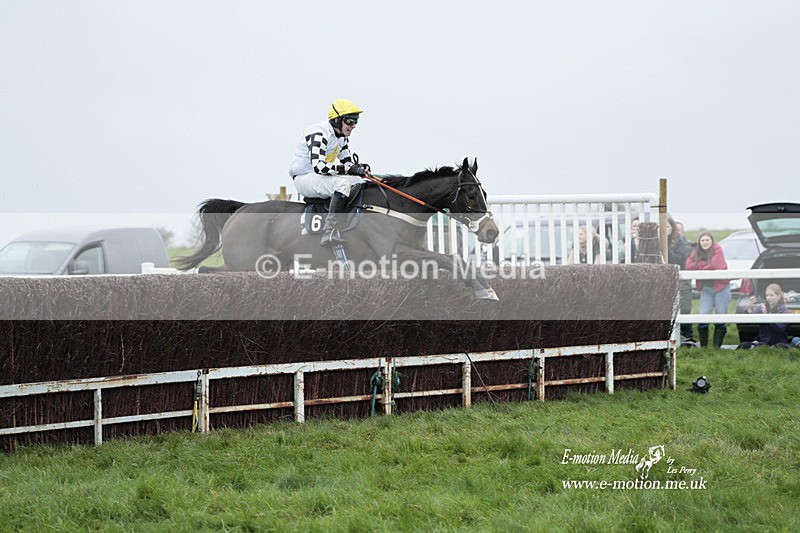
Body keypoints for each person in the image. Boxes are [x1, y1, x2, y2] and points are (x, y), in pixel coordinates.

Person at [289, 98, 371, 246]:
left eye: (356, 121)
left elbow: (347, 163)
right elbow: (319, 167)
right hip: (305, 178)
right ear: (336, 120)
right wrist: (346, 169)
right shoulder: (319, 133)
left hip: (319, 177)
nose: (353, 126)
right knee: (342, 184)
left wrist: (360, 168)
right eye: (350, 121)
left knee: (360, 181)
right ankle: (330, 230)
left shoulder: (342, 138)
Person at [685, 231, 731, 348]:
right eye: (702, 240)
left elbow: (714, 266)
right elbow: (688, 266)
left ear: (712, 241)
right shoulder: (696, 251)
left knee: (721, 317)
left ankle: (716, 347)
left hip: (721, 287)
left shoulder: (718, 249)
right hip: (706, 288)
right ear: (699, 242)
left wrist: (699, 265)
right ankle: (704, 347)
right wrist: (705, 264)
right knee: (703, 316)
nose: (705, 242)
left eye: (707, 240)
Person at [738, 283, 792, 349]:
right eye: (767, 295)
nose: (768, 298)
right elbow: (748, 321)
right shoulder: (762, 307)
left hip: (778, 343)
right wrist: (749, 310)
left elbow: (780, 328)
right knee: (744, 345)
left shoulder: (786, 311)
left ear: (779, 296)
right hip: (763, 343)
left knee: (780, 347)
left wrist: (767, 316)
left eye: (771, 295)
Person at [666, 217, 693, 343]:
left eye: (667, 227)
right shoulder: (657, 241)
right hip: (665, 281)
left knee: (684, 308)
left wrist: (666, 247)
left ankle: (687, 336)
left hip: (680, 279)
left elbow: (678, 260)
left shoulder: (680, 243)